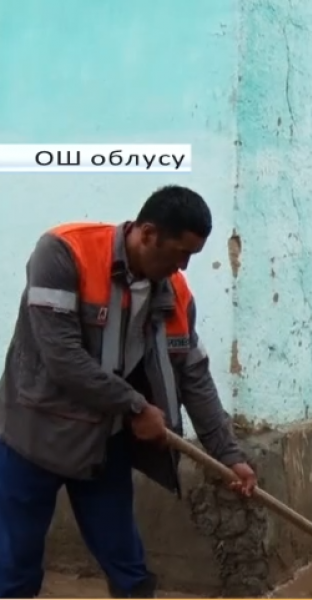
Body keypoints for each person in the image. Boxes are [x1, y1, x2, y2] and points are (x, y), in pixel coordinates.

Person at [0, 186, 258, 598]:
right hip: (35, 437)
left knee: (130, 572)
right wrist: (136, 406)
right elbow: (61, 357)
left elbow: (194, 376)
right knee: (14, 571)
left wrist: (228, 455)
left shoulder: (174, 293)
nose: (182, 267)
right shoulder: (64, 253)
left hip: (103, 445)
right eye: (179, 253)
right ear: (148, 233)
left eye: (191, 256)